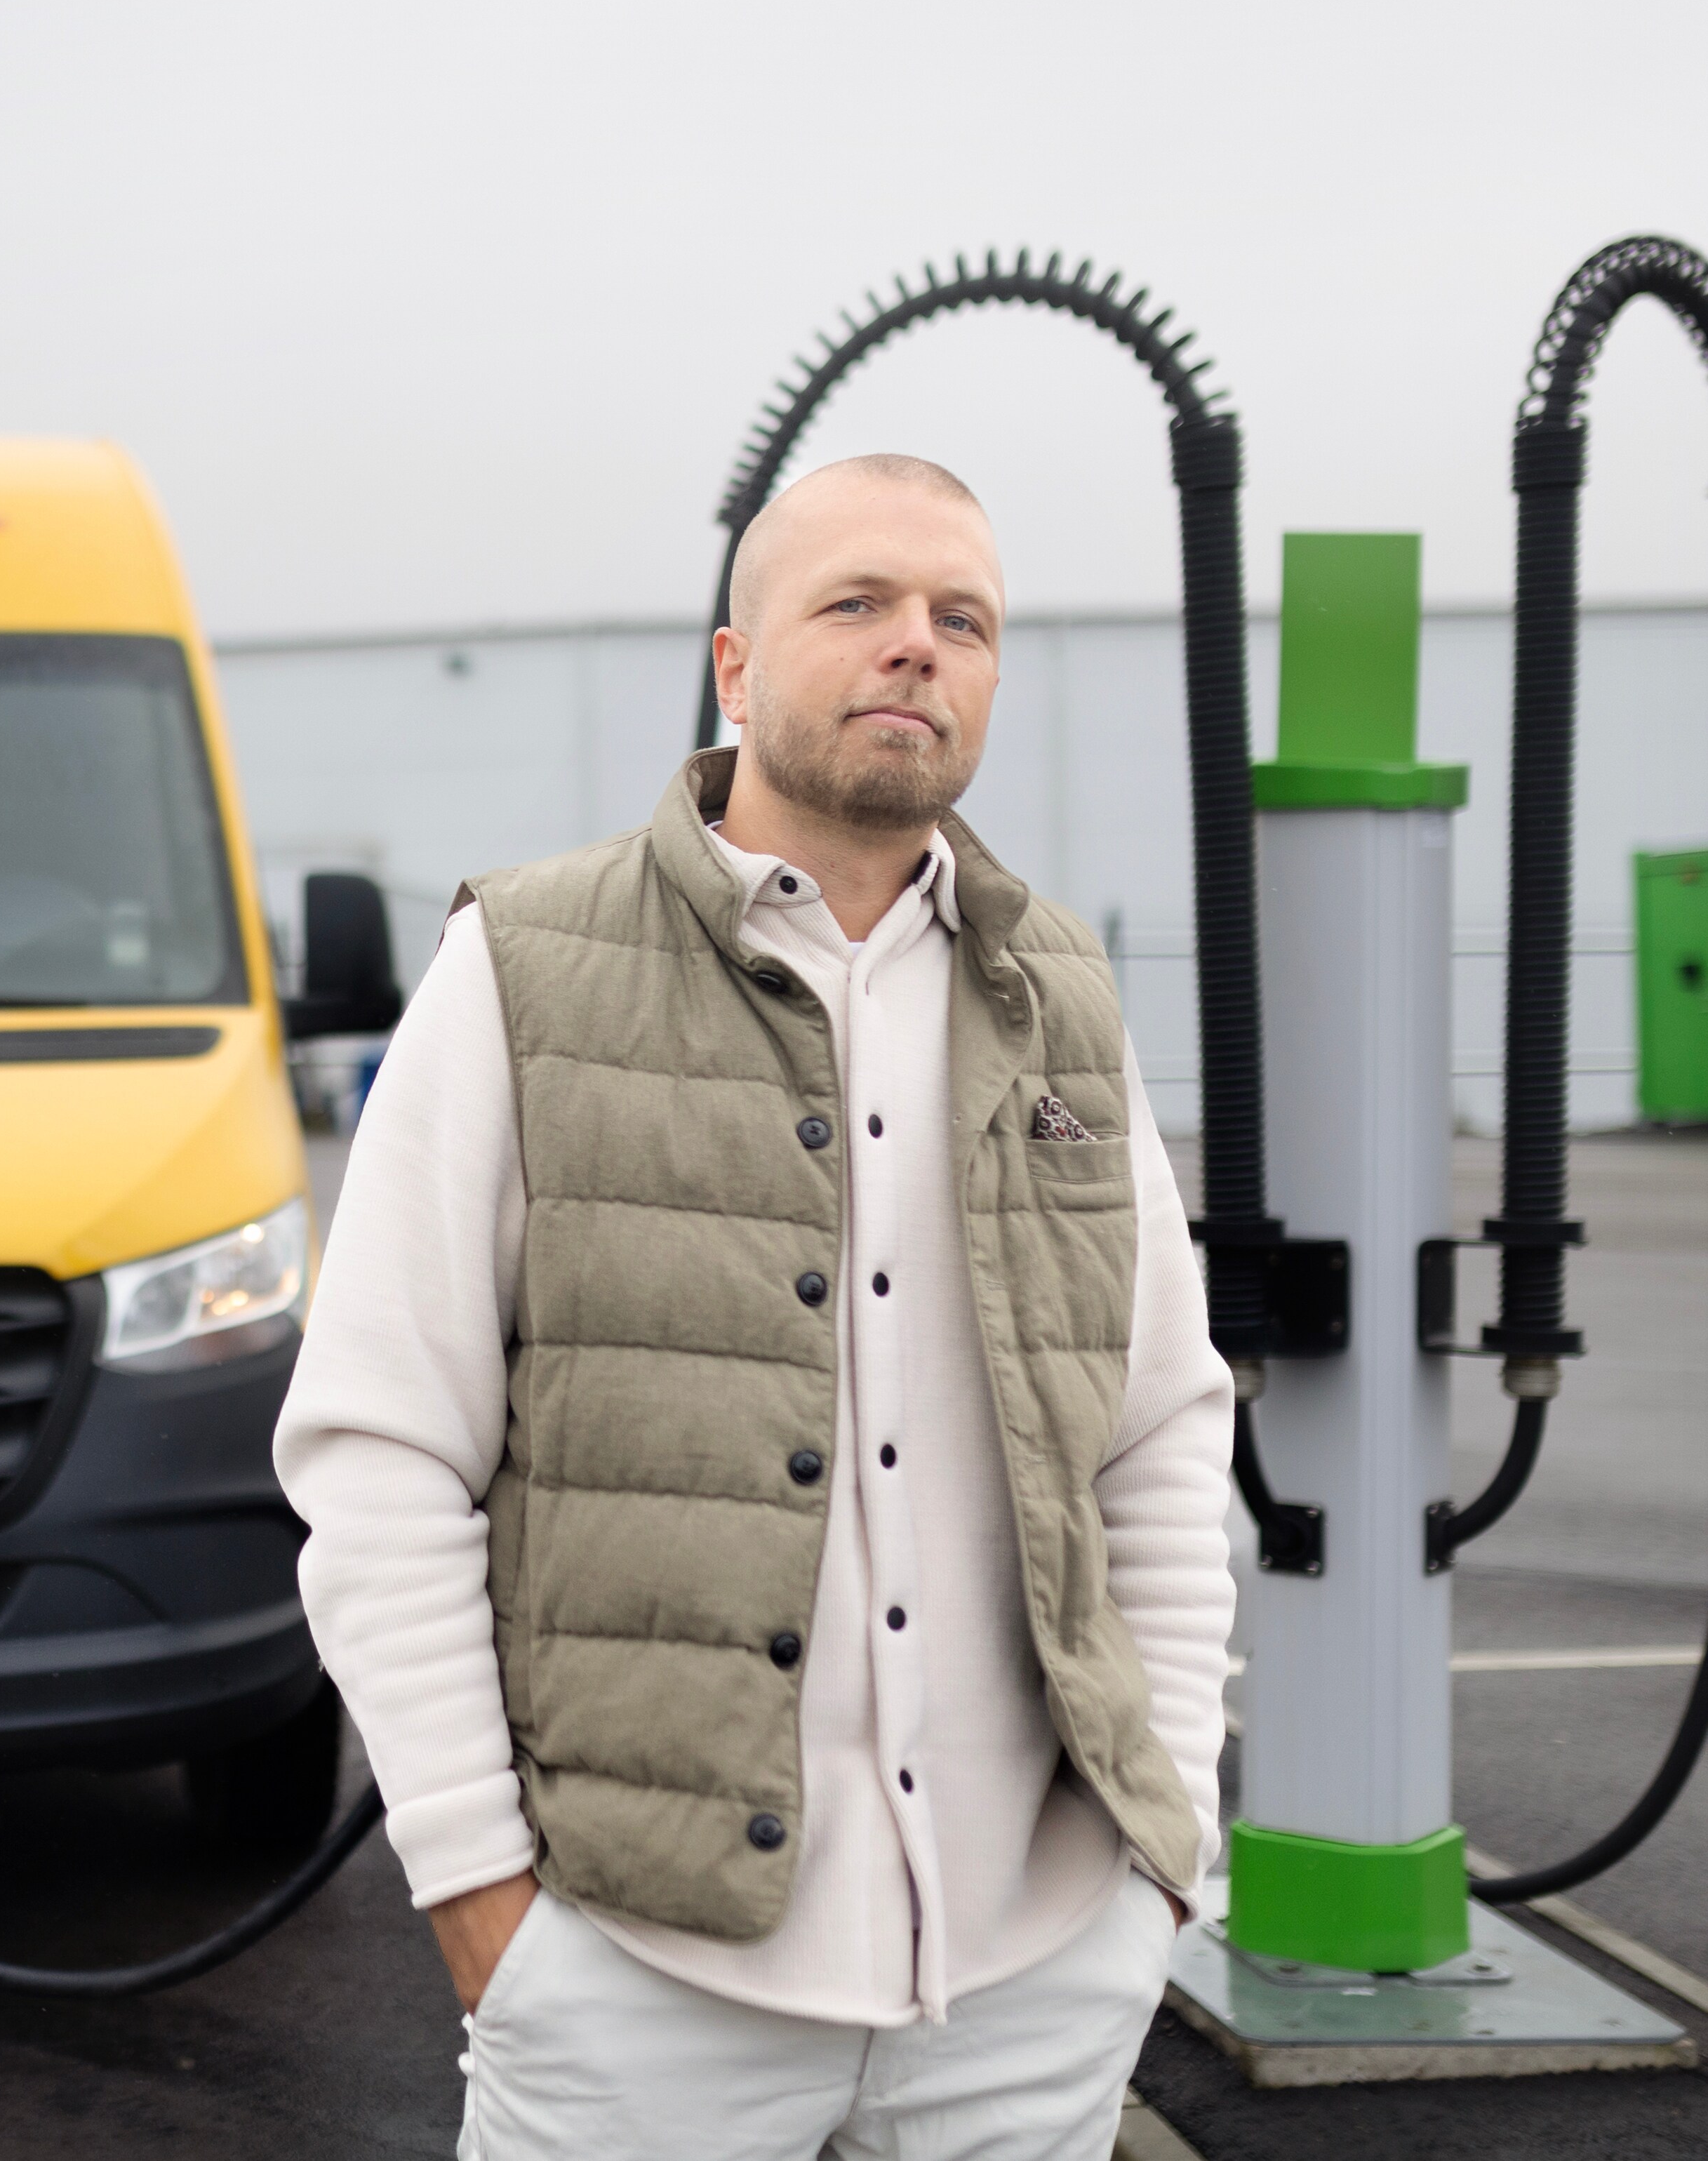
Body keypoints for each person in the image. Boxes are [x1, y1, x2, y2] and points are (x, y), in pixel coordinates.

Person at [274, 453, 1234, 2159]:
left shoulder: (1061, 999)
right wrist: (480, 1900)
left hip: (1026, 1984)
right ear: (733, 665)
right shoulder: (523, 971)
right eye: (854, 603)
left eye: (961, 619)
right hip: (641, 1988)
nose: (913, 649)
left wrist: (1168, 1862)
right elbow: (376, 1457)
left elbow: (1156, 1433)